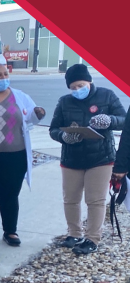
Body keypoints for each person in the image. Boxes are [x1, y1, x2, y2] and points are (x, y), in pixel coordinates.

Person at [49, 63, 126, 255]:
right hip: (72, 158)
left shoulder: (107, 95)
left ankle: (92, 238)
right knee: (71, 199)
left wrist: (109, 120)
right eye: (73, 87)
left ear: (89, 81)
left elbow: (125, 119)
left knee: (95, 200)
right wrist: (63, 136)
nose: (77, 90)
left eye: (80, 85)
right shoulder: (64, 102)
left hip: (100, 158)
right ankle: (74, 233)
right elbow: (54, 129)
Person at [0, 64, 46, 247]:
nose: (3, 78)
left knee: (10, 195)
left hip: (15, 156)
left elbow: (32, 117)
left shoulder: (19, 96)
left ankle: (10, 231)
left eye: (5, 74)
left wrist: (38, 113)